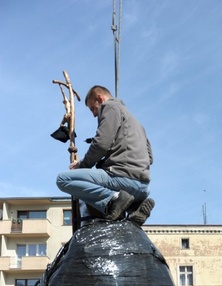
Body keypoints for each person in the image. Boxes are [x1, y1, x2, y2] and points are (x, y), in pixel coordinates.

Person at [56, 85, 155, 224]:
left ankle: (114, 199)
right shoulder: (136, 122)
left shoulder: (110, 108)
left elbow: (101, 143)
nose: (94, 114)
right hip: (144, 187)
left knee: (63, 179)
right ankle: (135, 207)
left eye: (93, 108)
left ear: (100, 98)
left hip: (123, 178)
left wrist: (82, 165)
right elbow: (150, 158)